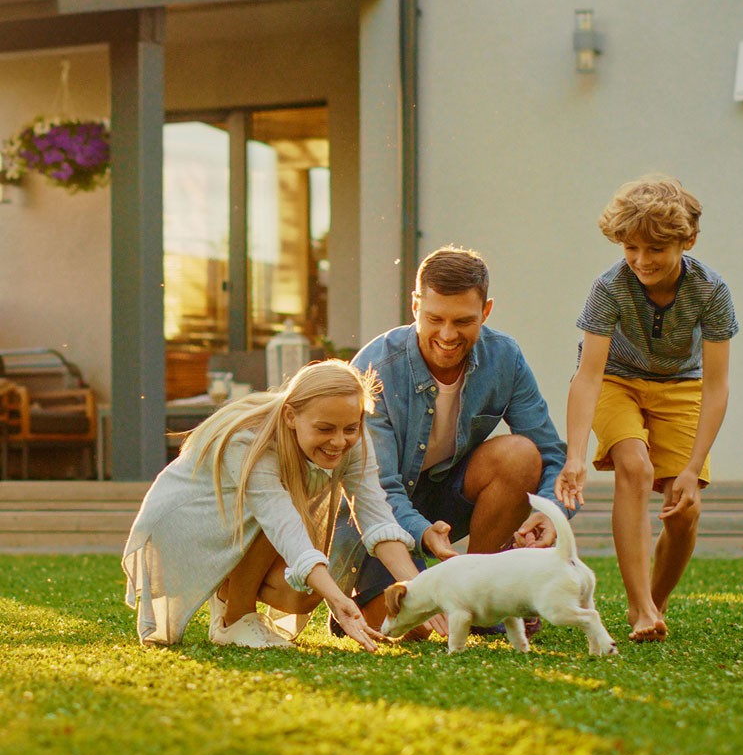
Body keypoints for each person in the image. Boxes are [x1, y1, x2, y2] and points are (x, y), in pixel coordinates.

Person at [330, 245, 569, 635]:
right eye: (434, 318)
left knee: (520, 455)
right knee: (416, 628)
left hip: (445, 495)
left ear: (486, 312)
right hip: (376, 515)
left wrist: (552, 511)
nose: (447, 334)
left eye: (463, 321)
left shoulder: (504, 357)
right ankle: (368, 601)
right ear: (414, 306)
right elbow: (378, 488)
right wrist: (422, 532)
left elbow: (548, 452)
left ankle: (482, 596)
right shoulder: (375, 368)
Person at [122, 359, 425, 652]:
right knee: (289, 533)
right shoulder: (250, 441)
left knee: (301, 596)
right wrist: (337, 599)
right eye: (324, 429)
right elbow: (282, 525)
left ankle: (228, 592)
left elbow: (376, 518)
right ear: (291, 416)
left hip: (244, 523)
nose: (339, 441)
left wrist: (421, 591)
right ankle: (234, 618)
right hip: (186, 525)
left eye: (350, 427)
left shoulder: (350, 438)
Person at [555, 174, 738, 642]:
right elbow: (589, 375)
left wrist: (693, 467)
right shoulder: (611, 286)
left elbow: (716, 385)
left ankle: (654, 605)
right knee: (633, 466)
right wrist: (575, 456)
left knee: (684, 509)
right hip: (617, 380)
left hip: (682, 386)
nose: (640, 261)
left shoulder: (711, 291)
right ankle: (639, 609)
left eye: (654, 249)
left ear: (688, 240)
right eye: (630, 248)